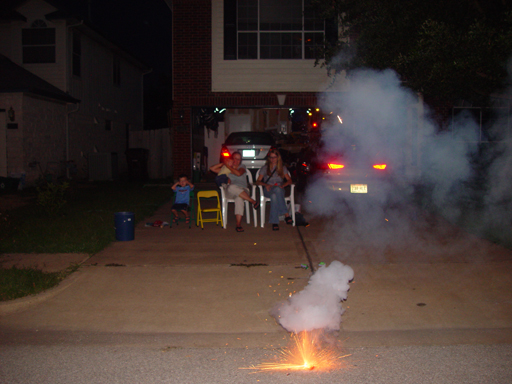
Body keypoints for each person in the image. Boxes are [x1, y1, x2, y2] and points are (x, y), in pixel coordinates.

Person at [218, 151, 259, 232]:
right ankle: (252, 201)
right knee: (231, 187)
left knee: (239, 198)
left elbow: (239, 174)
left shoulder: (242, 167)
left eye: (239, 159)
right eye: (235, 159)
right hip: (230, 191)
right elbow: (212, 169)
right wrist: (223, 164)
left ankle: (238, 224)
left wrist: (229, 167)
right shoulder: (227, 168)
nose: (237, 161)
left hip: (243, 190)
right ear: (232, 159)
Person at [256, 149, 293, 230]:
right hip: (268, 189)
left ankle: (274, 222)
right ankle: (286, 214)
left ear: (278, 158)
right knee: (275, 192)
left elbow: (289, 180)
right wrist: (266, 185)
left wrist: (283, 185)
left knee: (274, 196)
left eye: (274, 157)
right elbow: (258, 181)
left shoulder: (282, 168)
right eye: (271, 157)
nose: (272, 159)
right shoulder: (265, 168)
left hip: (279, 188)